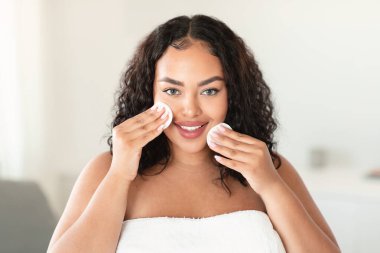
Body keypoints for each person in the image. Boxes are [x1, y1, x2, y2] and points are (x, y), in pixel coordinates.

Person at [47, 14, 341, 253]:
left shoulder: (271, 168)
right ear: (149, 92)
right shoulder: (106, 170)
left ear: (233, 94)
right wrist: (120, 175)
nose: (190, 109)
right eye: (172, 90)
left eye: (209, 90)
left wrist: (270, 185)